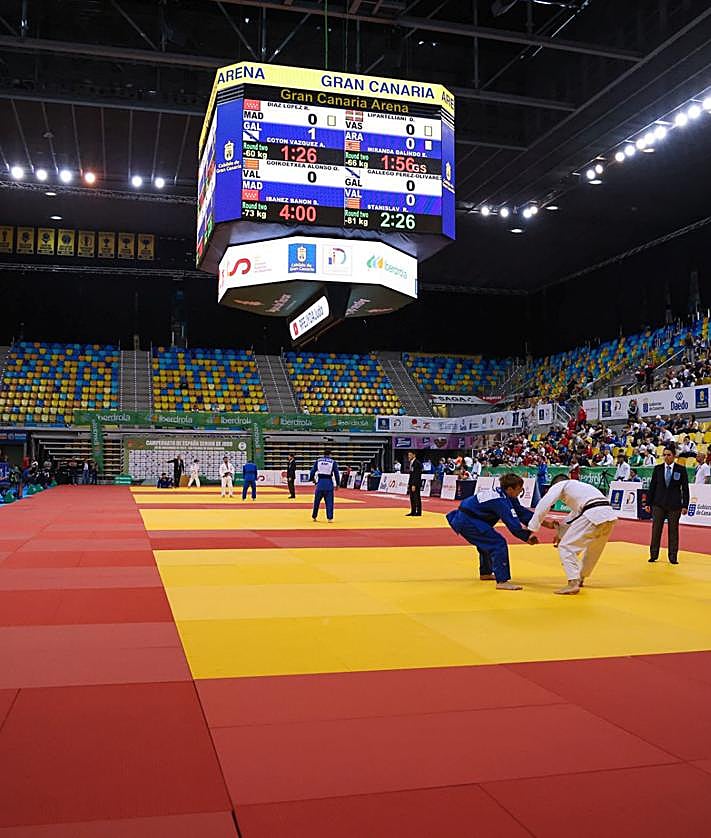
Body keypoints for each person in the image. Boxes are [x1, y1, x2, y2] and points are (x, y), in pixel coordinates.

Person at [445, 473, 538, 591]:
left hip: (469, 518)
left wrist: (541, 521)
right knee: (498, 543)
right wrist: (527, 537)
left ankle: (486, 572)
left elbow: (521, 512)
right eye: (519, 490)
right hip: (467, 521)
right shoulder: (500, 500)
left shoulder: (504, 495)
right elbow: (512, 523)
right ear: (510, 489)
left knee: (486, 542)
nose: (520, 492)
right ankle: (502, 580)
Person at [528, 474, 618, 595]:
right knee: (593, 550)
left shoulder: (561, 485)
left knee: (566, 547)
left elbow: (544, 504)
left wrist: (533, 527)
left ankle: (573, 583)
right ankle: (580, 578)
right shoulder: (582, 488)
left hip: (592, 512)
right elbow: (573, 517)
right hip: (609, 515)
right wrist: (560, 534)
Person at [646, 444, 689, 565]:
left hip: (674, 506)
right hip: (658, 504)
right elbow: (652, 487)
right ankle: (653, 555)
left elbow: (685, 489)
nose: (666, 457)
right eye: (664, 455)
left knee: (673, 531)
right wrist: (648, 502)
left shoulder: (681, 469)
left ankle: (673, 556)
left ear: (674, 456)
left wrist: (685, 505)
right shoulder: (658, 469)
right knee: (656, 530)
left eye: (668, 455)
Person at [309, 448, 340, 522]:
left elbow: (312, 471)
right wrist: (338, 484)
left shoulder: (318, 461)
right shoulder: (333, 462)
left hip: (320, 484)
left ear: (324, 454)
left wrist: (312, 479)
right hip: (329, 483)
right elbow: (336, 474)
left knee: (316, 501)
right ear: (330, 455)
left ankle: (314, 516)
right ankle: (329, 518)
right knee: (329, 502)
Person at [406, 450, 422, 517]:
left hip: (415, 483)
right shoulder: (411, 463)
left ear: (414, 455)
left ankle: (418, 512)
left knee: (416, 498)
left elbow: (417, 475)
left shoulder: (417, 463)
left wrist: (414, 485)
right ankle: (413, 511)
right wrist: (409, 484)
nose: (408, 456)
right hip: (411, 483)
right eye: (408, 455)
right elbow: (411, 475)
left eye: (410, 455)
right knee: (412, 498)